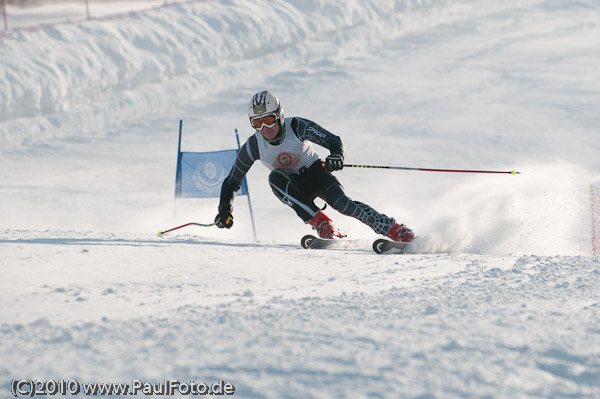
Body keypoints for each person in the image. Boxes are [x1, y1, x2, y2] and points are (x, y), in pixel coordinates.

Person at [214, 91, 415, 242]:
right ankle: (323, 225)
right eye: (257, 123)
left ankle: (394, 229)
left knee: (344, 205)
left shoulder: (297, 126)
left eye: (268, 120)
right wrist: (225, 210)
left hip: (316, 174)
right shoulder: (253, 146)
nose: (264, 129)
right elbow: (232, 182)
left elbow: (332, 139)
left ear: (280, 115)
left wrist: (336, 155)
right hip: (292, 188)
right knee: (274, 178)